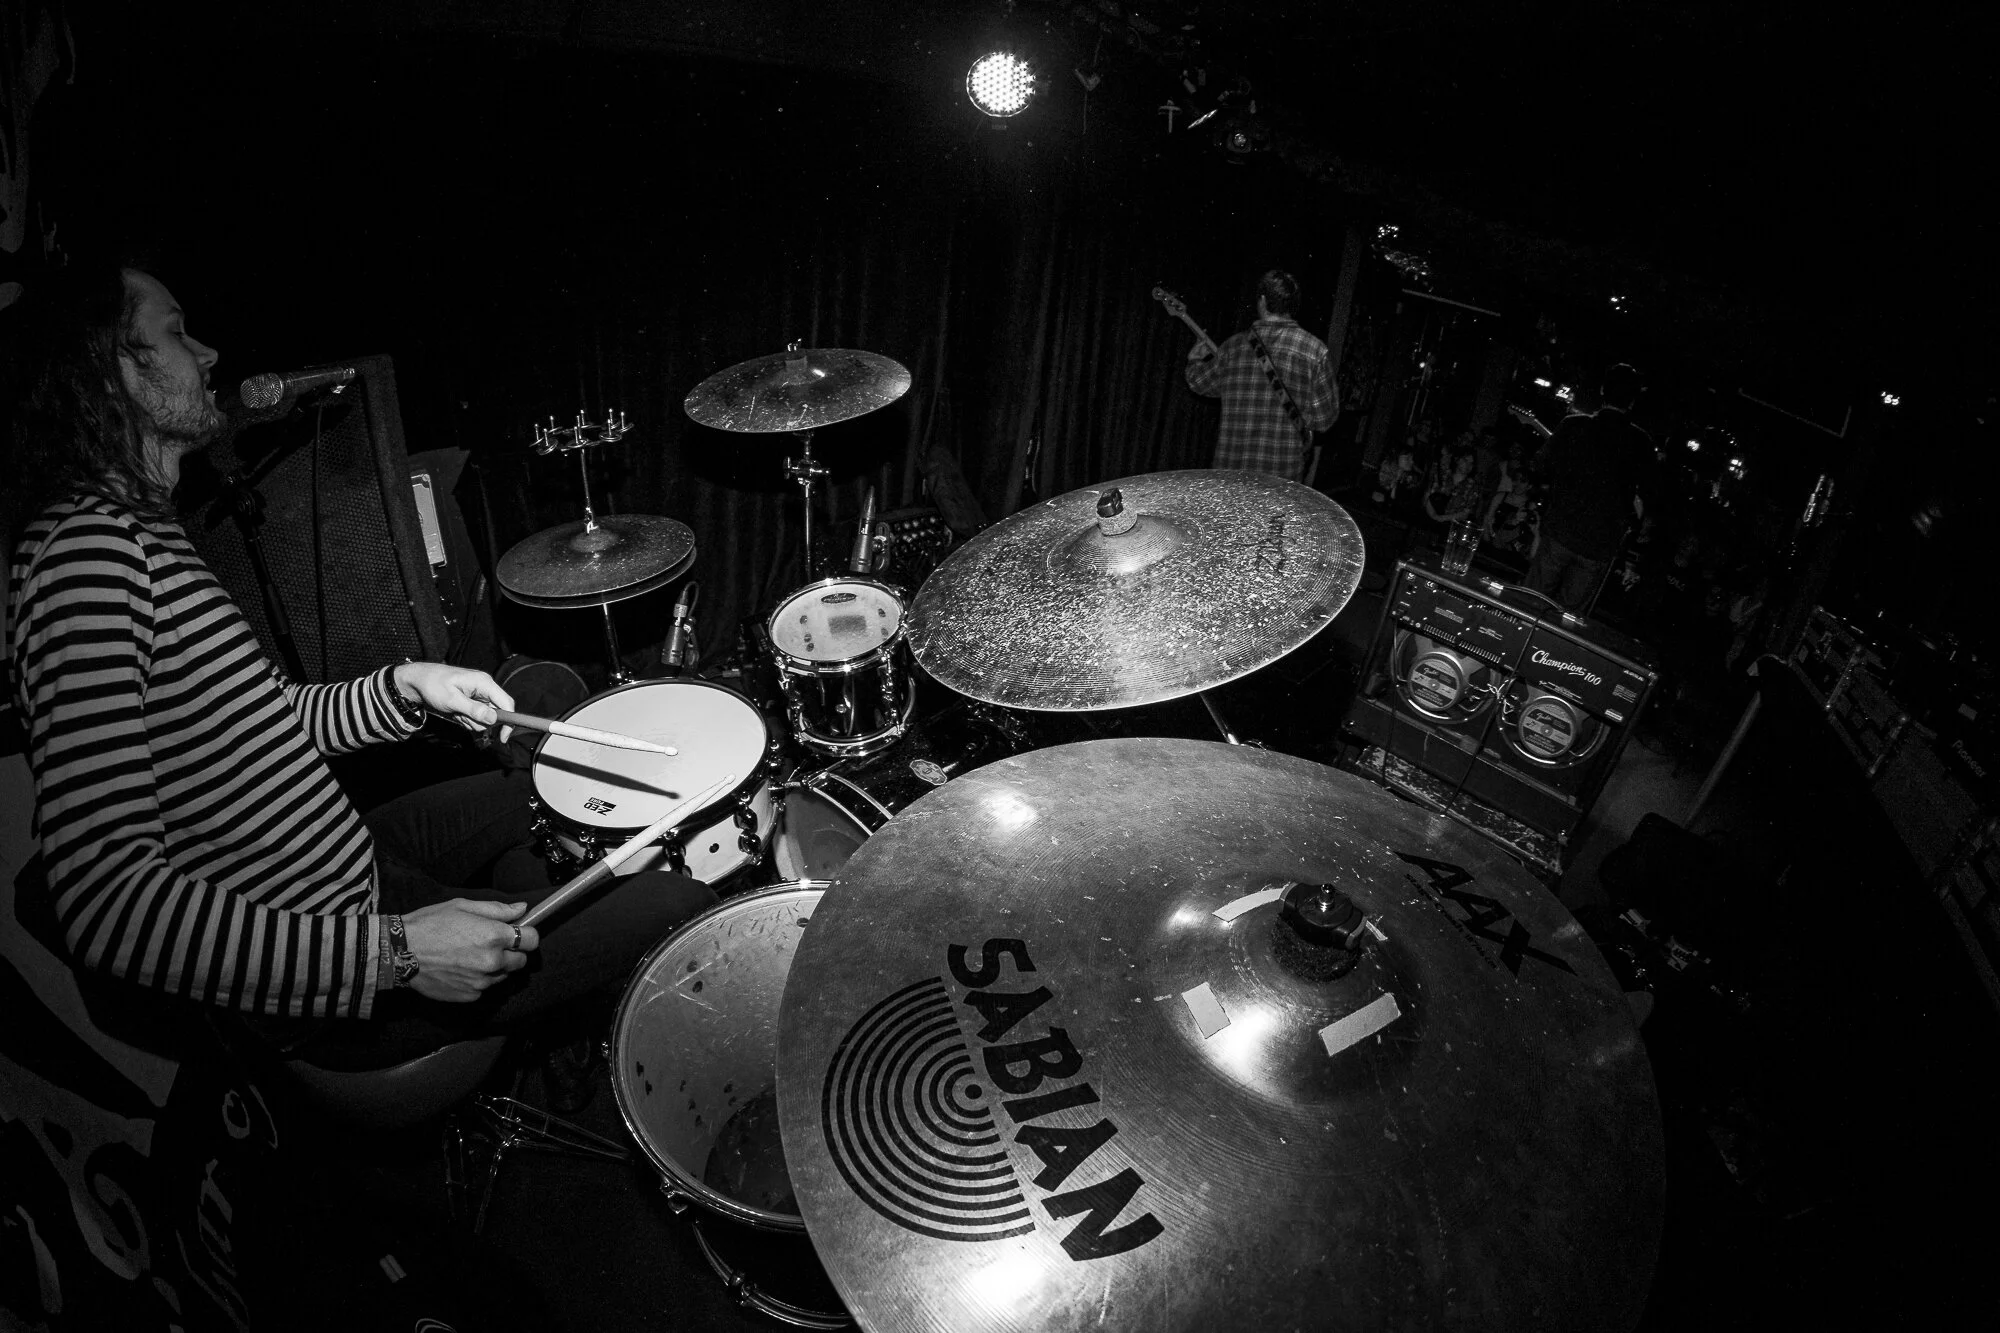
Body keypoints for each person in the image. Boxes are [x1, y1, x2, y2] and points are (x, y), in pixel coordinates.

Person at [4, 259, 713, 1069]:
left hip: (351, 856)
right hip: (321, 968)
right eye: (174, 333)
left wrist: (405, 687)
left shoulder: (148, 533)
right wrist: (398, 952)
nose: (206, 354)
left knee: (547, 781)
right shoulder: (85, 558)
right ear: (111, 371)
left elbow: (264, 718)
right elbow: (108, 907)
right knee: (678, 901)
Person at [1184, 269, 1338, 480]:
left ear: (1262, 301)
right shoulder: (1315, 351)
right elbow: (1324, 420)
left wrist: (1194, 360)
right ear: (1293, 306)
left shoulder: (1232, 347)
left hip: (1230, 474)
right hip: (1281, 476)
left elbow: (1198, 381)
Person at [1524, 363, 1653, 612]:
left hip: (1561, 530)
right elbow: (1646, 500)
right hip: (1600, 545)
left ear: (1603, 390)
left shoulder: (1574, 424)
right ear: (1633, 400)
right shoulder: (1642, 443)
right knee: (1567, 621)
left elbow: (1540, 465)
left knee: (1529, 604)